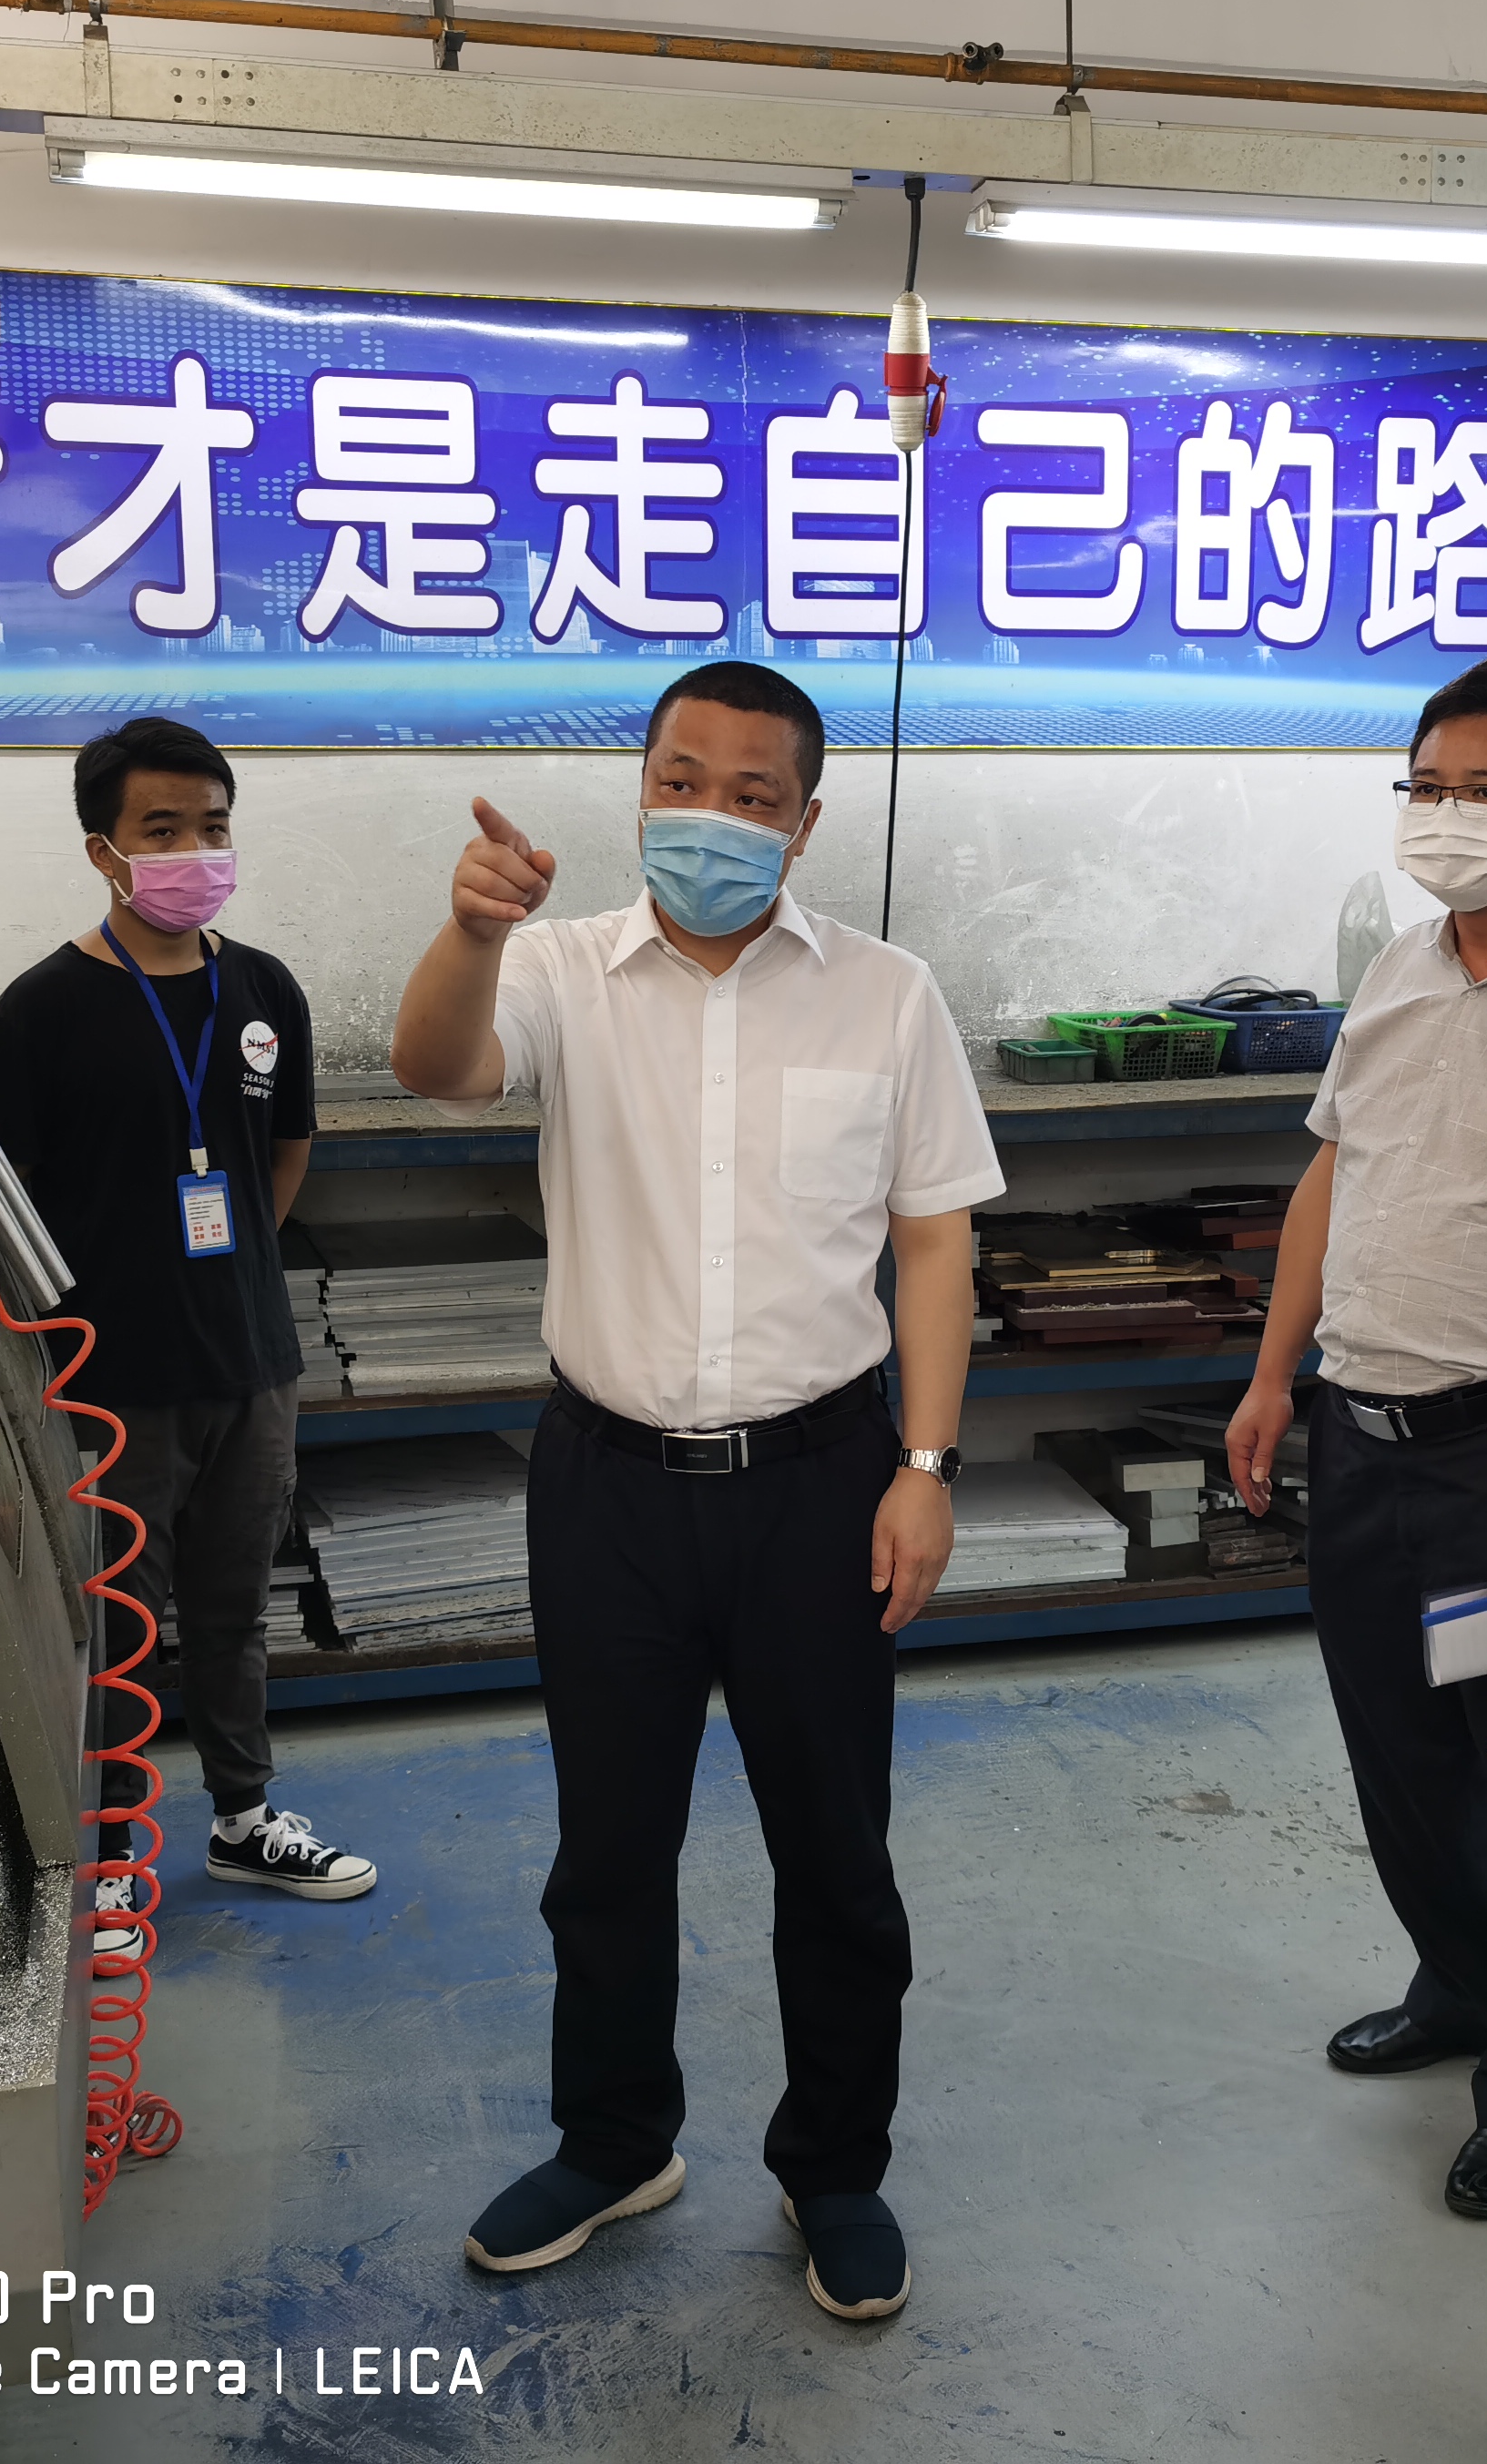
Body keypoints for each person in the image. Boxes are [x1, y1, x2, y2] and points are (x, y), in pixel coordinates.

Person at [389, 660, 999, 2325]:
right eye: (681, 778)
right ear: (642, 787)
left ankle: (836, 2167)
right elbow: (438, 1067)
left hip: (822, 1482)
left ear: (805, 821)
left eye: (751, 793)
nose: (710, 814)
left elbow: (936, 1243)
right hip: (609, 1488)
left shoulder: (888, 996)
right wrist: (470, 929)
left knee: (836, 1852)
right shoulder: (559, 969)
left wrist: (927, 1469)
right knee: (607, 1847)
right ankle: (615, 2141)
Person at [1226, 656, 1487, 2228]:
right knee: (1394, 1743)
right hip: (1360, 1437)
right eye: (1428, 786)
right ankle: (1456, 1982)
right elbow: (1333, 1173)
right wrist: (1272, 1376)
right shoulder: (1395, 967)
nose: (1450, 815)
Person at [0, 716, 377, 1960]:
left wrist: (230, 1276)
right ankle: (107, 1853)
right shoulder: (39, 1013)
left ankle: (244, 1818)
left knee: (235, 1608)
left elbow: (283, 1155)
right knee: (117, 1627)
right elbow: (3, 1204)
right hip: (113, 1378)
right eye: (162, 830)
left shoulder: (262, 992)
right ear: (103, 849)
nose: (194, 852)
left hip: (251, 1364)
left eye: (212, 826)